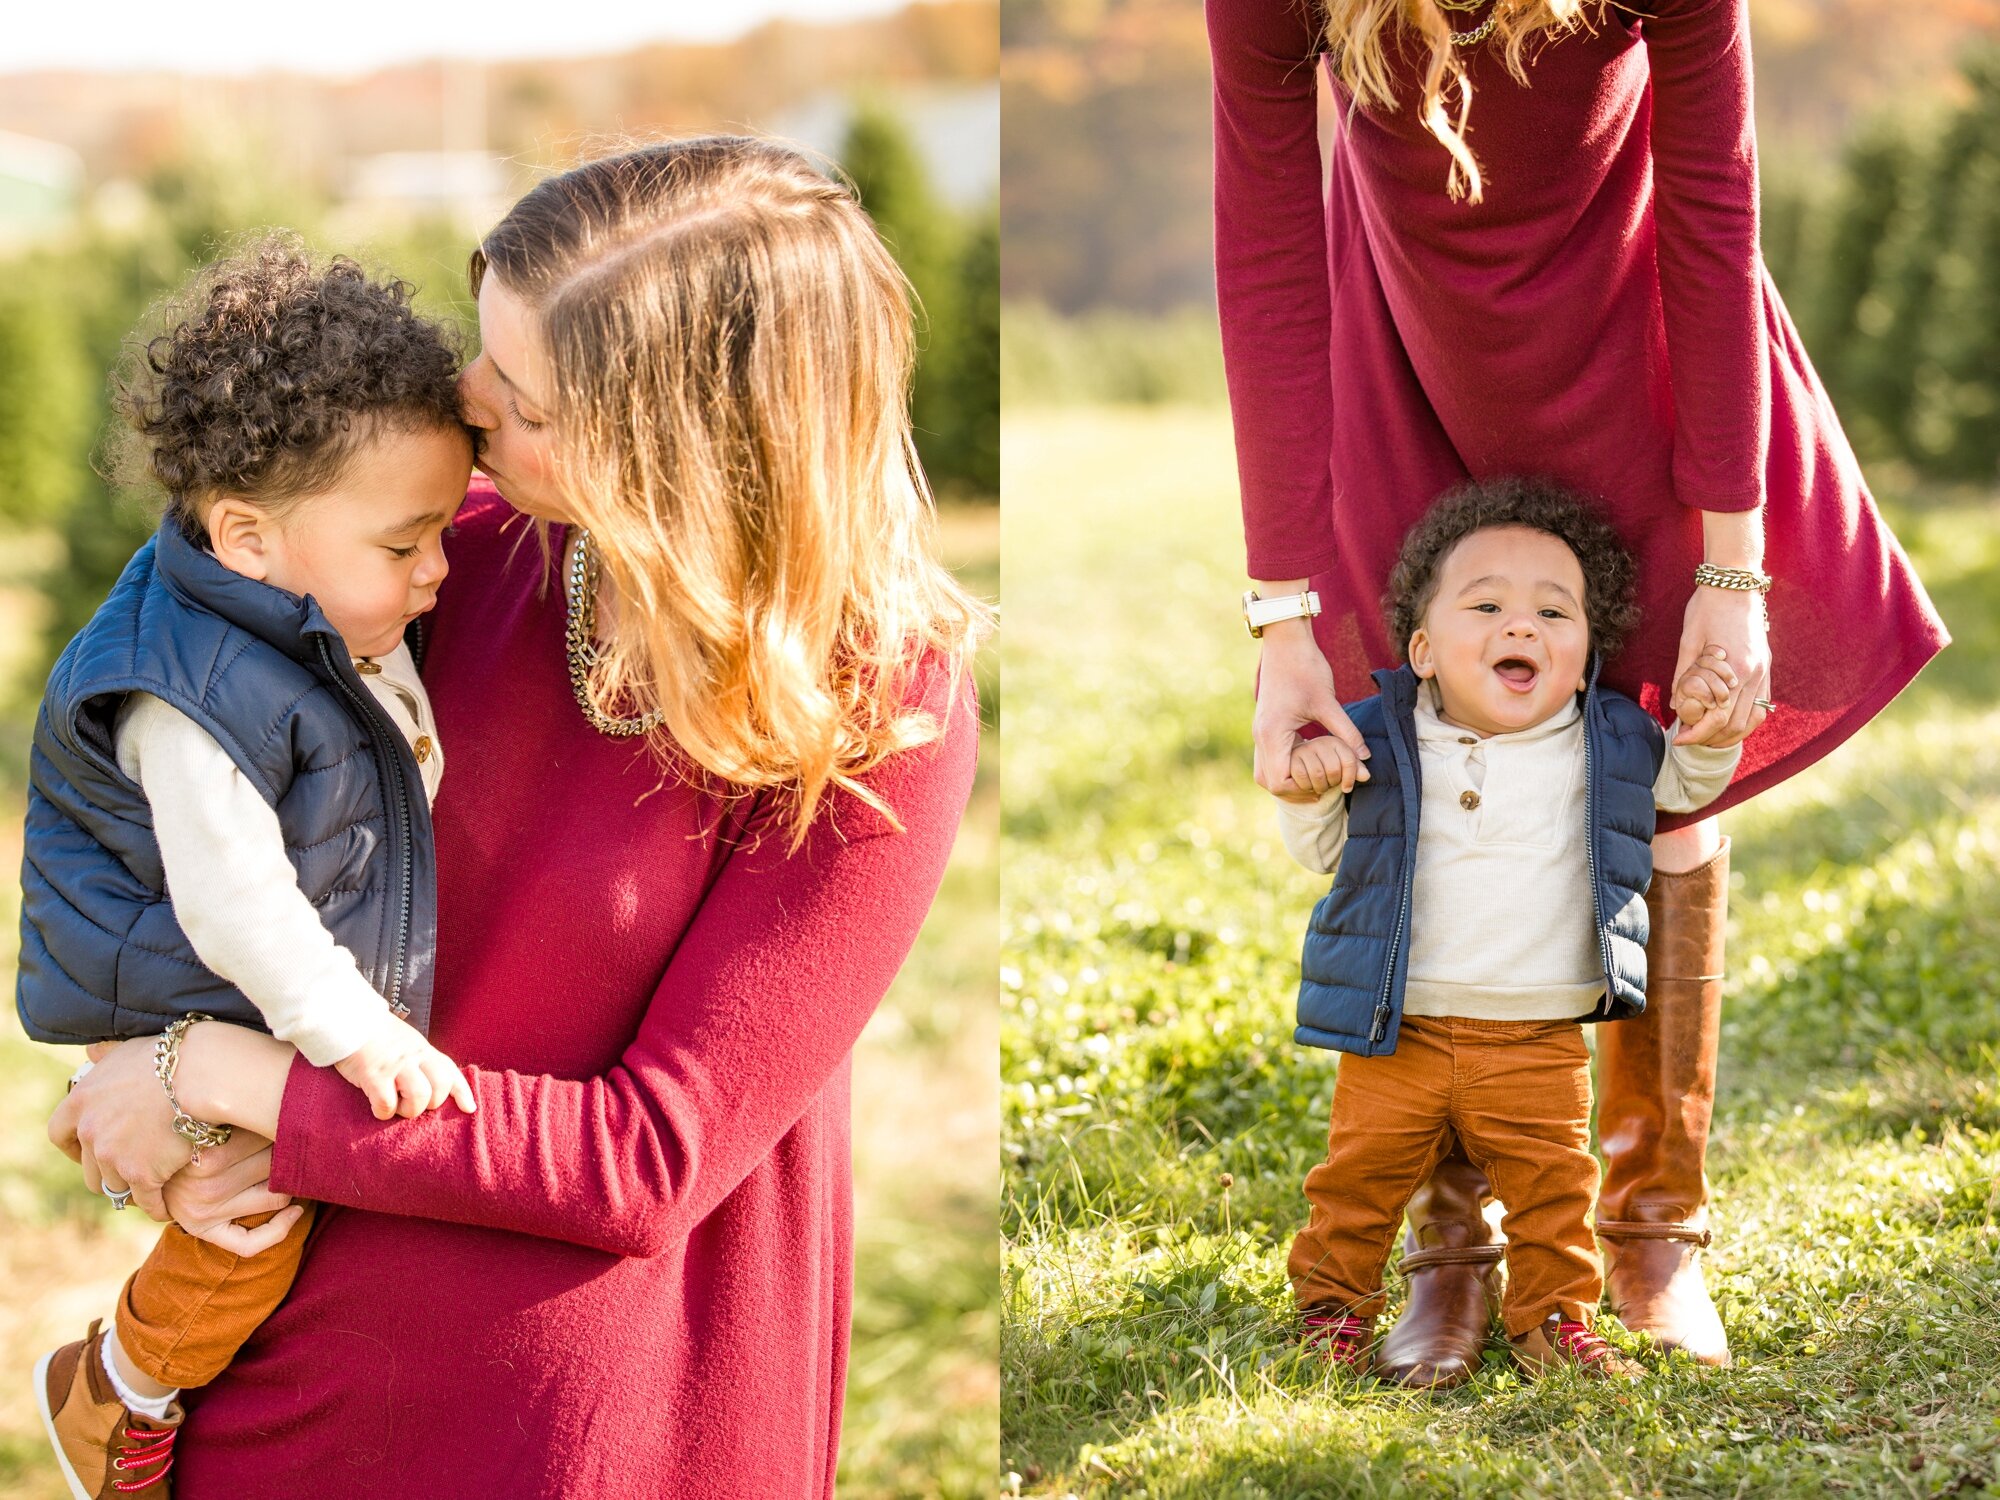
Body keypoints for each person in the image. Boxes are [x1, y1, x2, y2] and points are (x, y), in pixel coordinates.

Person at [48, 136, 987, 1498]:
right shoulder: (436, 563)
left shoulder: (872, 708)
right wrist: (148, 1093)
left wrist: (224, 1081)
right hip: (301, 1389)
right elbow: (169, 786)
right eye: (485, 345)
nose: (468, 399)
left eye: (526, 398)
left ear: (686, 448)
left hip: (609, 1424)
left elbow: (651, 1157)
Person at [1207, 0, 1947, 1380]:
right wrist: (1282, 618)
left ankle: (1651, 1231)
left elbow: (1717, 209)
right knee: (1416, 777)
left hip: (1644, 344)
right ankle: (1455, 1241)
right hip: (1405, 362)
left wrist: (1734, 572)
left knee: (1666, 780)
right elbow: (1265, 254)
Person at [20, 238, 476, 1498]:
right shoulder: (188, 689)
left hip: (225, 985)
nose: (440, 567)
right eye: (406, 545)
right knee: (251, 1223)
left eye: (443, 528)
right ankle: (119, 1391)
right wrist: (351, 1034)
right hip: (174, 983)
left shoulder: (297, 602)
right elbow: (232, 903)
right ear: (247, 535)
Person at [1275, 478, 1741, 1381]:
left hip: (1538, 1037)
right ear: (1421, 648)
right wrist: (1307, 788)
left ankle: (1553, 1320)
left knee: (1553, 1193)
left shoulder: (1607, 740)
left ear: (1585, 652)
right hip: (1397, 1035)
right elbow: (1321, 847)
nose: (1521, 626)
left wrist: (1711, 733)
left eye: (1553, 613)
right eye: (1486, 605)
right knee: (1355, 1188)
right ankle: (1331, 1309)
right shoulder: (1379, 738)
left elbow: (1679, 793)